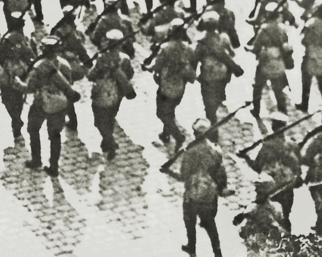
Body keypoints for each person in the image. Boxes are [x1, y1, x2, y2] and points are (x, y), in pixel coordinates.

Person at [24, 36, 80, 176]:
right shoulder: (64, 64)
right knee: (55, 136)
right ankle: (53, 166)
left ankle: (36, 159)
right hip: (60, 105)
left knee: (33, 129)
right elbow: (70, 82)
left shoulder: (39, 66)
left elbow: (30, 87)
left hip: (40, 104)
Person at [180, 117, 228, 257]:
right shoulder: (216, 150)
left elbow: (184, 174)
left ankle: (192, 248)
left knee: (189, 220)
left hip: (193, 193)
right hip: (210, 193)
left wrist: (169, 172)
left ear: (194, 133)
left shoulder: (190, 152)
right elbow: (221, 172)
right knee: (210, 223)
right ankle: (217, 252)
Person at [247, 113, 302, 232]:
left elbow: (257, 166)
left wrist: (246, 158)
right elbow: (298, 168)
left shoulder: (268, 145)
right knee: (285, 216)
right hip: (287, 188)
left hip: (271, 189)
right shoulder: (293, 144)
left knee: (271, 218)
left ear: (272, 126)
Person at [147, 18, 195, 151]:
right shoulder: (189, 49)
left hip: (166, 86)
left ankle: (178, 136)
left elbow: (156, 66)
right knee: (170, 110)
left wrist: (147, 67)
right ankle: (165, 133)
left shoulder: (165, 48)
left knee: (161, 113)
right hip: (180, 87)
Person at [88, 28, 136, 160]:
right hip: (118, 94)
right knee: (110, 118)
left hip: (101, 94)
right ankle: (106, 141)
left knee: (99, 121)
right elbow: (130, 74)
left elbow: (91, 75)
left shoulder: (101, 58)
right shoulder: (124, 59)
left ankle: (110, 142)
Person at [0, 10, 36, 141]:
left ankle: (15, 119)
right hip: (22, 73)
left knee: (7, 98)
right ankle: (17, 118)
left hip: (9, 72)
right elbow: (32, 56)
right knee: (18, 97)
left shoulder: (7, 40)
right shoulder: (27, 38)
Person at [194, 13, 244, 122]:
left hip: (207, 75)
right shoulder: (223, 38)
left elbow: (194, 59)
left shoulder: (201, 42)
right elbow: (231, 54)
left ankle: (212, 122)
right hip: (222, 73)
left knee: (208, 102)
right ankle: (217, 103)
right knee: (216, 95)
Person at [248, 3, 292, 120]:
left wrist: (249, 49)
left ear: (267, 14)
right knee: (278, 89)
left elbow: (256, 47)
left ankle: (256, 110)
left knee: (258, 86)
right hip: (278, 62)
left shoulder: (263, 29)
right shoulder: (281, 29)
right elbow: (285, 44)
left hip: (265, 62)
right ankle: (283, 111)